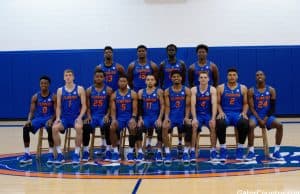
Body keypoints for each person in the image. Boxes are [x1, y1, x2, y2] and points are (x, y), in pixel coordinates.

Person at [246, 70, 283, 160]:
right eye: (257, 75)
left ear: (264, 76)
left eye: (261, 74)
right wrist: (259, 119)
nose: (259, 76)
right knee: (250, 125)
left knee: (280, 125)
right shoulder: (251, 90)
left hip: (267, 116)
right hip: (255, 116)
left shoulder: (271, 90)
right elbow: (251, 108)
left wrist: (265, 119)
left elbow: (272, 108)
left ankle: (276, 151)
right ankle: (251, 151)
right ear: (255, 78)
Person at [19, 76, 56, 164]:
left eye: (45, 83)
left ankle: (51, 154)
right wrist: (28, 120)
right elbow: (31, 112)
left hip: (49, 118)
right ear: (39, 84)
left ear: (49, 84)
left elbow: (57, 112)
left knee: (50, 128)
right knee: (26, 128)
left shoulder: (53, 96)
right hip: (38, 119)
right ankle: (27, 154)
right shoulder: (35, 97)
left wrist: (52, 119)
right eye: (42, 83)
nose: (43, 85)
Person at [52, 69, 87, 164]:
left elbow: (84, 106)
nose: (68, 77)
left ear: (73, 77)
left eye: (70, 75)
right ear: (64, 77)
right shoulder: (60, 90)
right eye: (66, 75)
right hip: (65, 118)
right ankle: (60, 154)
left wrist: (80, 117)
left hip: (76, 117)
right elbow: (58, 107)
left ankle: (76, 153)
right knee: (54, 128)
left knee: (79, 128)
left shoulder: (80, 89)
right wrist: (58, 118)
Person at [216, 68, 249, 161]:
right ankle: (223, 148)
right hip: (225, 114)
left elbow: (246, 103)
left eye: (234, 75)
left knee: (245, 123)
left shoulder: (243, 88)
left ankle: (240, 148)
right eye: (230, 75)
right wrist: (221, 112)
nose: (232, 77)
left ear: (237, 76)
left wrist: (244, 112)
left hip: (237, 114)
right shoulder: (221, 87)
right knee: (220, 123)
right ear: (227, 76)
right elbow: (218, 103)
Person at [159, 44, 186, 148]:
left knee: (180, 115)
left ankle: (180, 142)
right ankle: (164, 145)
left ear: (176, 51)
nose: (171, 51)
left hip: (179, 92)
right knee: (167, 117)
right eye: (169, 50)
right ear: (167, 51)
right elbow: (160, 79)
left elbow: (184, 77)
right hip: (167, 93)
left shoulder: (181, 64)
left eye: (173, 49)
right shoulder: (162, 64)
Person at [82, 69, 113, 162]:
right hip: (93, 116)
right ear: (94, 78)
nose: (99, 78)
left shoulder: (108, 90)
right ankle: (86, 151)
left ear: (104, 78)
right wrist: (88, 116)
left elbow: (110, 106)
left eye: (101, 76)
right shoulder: (89, 90)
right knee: (86, 126)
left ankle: (108, 149)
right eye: (97, 76)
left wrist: (107, 115)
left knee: (107, 126)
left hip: (103, 116)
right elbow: (87, 106)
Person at [162, 70, 191, 164]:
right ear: (171, 78)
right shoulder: (167, 91)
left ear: (181, 78)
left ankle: (186, 152)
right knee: (164, 127)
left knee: (189, 126)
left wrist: (186, 117)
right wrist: (166, 118)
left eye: (178, 76)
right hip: (172, 117)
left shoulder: (186, 90)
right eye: (174, 76)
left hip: (182, 117)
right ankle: (167, 153)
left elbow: (187, 106)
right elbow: (167, 106)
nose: (176, 78)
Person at [110, 75, 138, 162]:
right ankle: (115, 152)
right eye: (121, 81)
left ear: (127, 82)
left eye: (124, 81)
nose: (122, 83)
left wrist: (133, 118)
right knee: (112, 127)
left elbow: (135, 109)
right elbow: (113, 110)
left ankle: (130, 151)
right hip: (119, 118)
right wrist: (114, 119)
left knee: (133, 127)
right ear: (118, 83)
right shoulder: (114, 95)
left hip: (129, 117)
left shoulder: (133, 93)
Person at [191, 71, 218, 161]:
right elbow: (193, 105)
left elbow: (214, 104)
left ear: (208, 79)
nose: (203, 79)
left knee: (213, 126)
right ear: (198, 79)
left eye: (205, 77)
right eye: (201, 77)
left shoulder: (212, 89)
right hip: (198, 114)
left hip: (208, 114)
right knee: (194, 126)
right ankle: (193, 150)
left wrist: (213, 118)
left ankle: (213, 150)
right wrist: (194, 118)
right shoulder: (194, 89)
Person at [137, 74, 164, 162]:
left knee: (160, 128)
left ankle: (159, 151)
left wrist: (160, 118)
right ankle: (140, 152)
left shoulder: (159, 91)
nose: (150, 81)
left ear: (155, 81)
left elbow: (163, 106)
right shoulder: (141, 92)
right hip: (146, 118)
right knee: (139, 128)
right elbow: (139, 107)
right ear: (145, 81)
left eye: (152, 79)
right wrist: (140, 118)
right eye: (148, 79)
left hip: (156, 117)